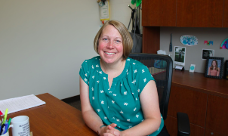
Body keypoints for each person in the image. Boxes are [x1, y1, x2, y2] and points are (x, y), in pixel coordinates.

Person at [79, 20, 167, 136]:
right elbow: (87, 110)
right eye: (105, 39)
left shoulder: (140, 72)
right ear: (97, 42)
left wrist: (122, 135)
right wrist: (101, 129)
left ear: (124, 45)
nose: (110, 46)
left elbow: (154, 120)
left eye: (117, 41)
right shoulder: (87, 68)